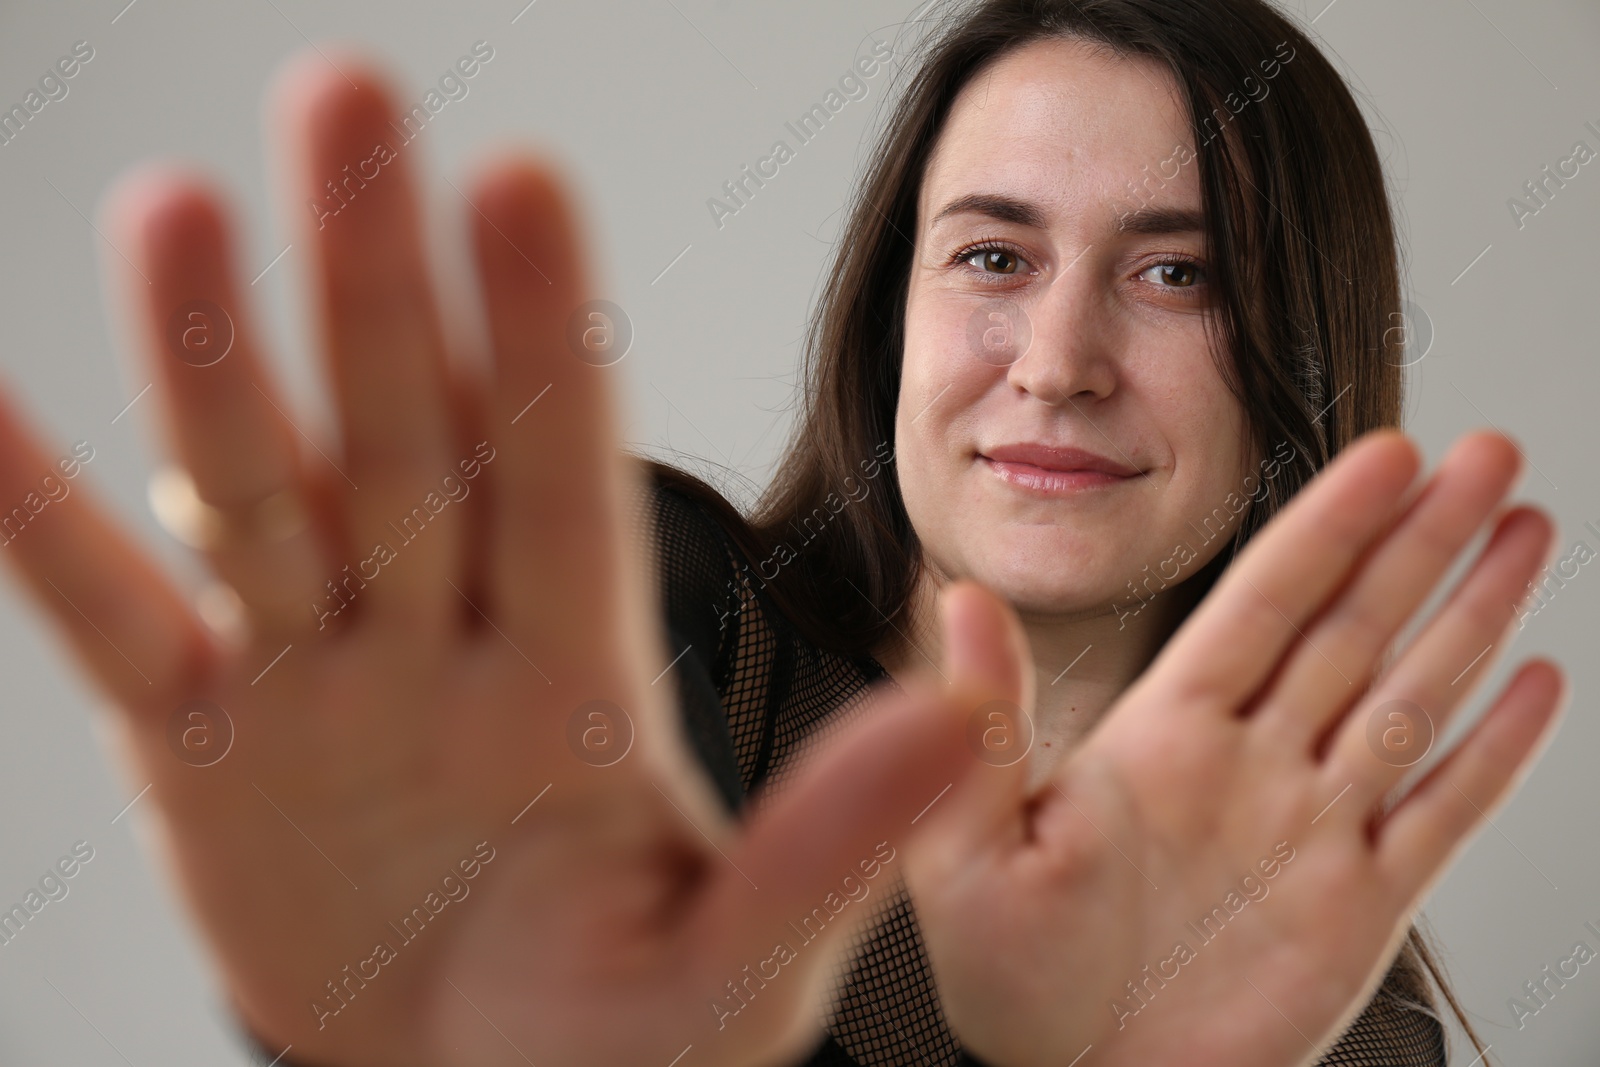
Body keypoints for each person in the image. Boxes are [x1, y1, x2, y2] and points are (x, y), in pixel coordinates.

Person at [0, 0, 1561, 1065]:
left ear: (1298, 363)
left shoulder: (1337, 1021)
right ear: (894, 322)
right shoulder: (651, 627)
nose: (1057, 358)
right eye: (994, 255)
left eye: (1177, 274)